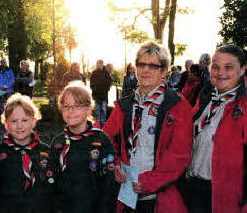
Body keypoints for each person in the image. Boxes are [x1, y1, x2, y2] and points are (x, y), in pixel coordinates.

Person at [103, 41, 193, 213]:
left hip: (160, 197)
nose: (146, 70)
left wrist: (149, 182)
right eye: (141, 64)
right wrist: (115, 165)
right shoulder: (125, 104)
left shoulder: (178, 106)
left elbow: (179, 155)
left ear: (164, 71)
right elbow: (106, 140)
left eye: (153, 65)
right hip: (126, 194)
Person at [182, 44, 246, 213]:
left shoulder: (244, 108)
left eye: (229, 67)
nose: (221, 73)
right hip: (192, 188)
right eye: (216, 67)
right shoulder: (205, 98)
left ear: (242, 70)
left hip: (224, 198)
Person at [51, 81, 116, 213]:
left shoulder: (101, 140)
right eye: (66, 106)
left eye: (77, 106)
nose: (71, 111)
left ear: (88, 109)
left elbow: (109, 185)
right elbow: (51, 181)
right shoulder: (58, 143)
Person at [0, 93, 55, 213]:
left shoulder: (46, 153)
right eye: (14, 121)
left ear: (33, 122)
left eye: (24, 120)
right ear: (6, 124)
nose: (19, 126)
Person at [90, 59, 112, 126]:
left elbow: (109, 81)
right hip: (96, 94)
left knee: (103, 109)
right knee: (97, 109)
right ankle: (98, 122)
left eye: (101, 64)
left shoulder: (106, 73)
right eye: (98, 64)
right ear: (97, 65)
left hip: (104, 95)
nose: (100, 65)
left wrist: (107, 88)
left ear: (102, 64)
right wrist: (94, 89)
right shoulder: (94, 73)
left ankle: (103, 123)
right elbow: (91, 83)